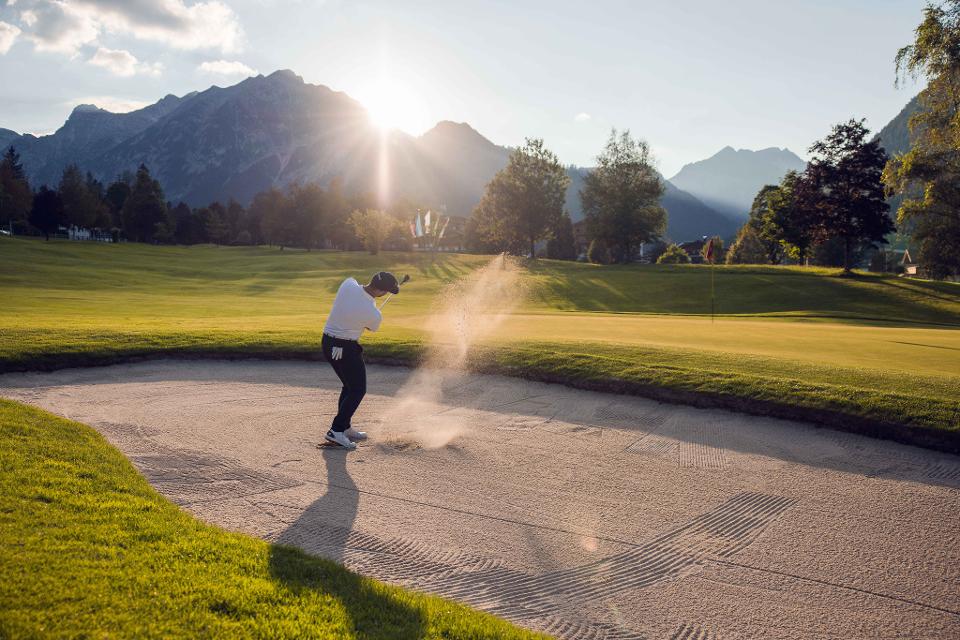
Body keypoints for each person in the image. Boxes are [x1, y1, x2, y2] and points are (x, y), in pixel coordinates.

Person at [321, 271, 400, 449]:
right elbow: (371, 328)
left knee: (349, 386)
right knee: (357, 389)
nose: (385, 295)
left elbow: (357, 296)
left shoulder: (348, 284)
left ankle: (345, 426)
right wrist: (372, 310)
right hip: (344, 348)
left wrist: (370, 307)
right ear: (380, 292)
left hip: (328, 342)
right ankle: (336, 430)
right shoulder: (373, 313)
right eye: (386, 292)